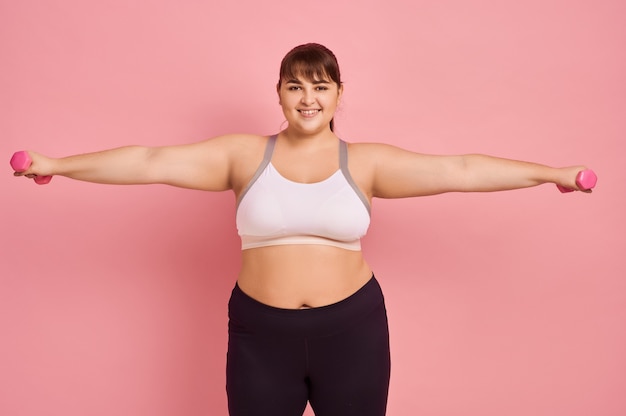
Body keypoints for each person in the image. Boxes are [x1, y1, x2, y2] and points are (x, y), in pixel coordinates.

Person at [12, 43, 592, 416]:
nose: (308, 97)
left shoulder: (365, 162)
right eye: (295, 85)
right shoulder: (243, 156)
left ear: (339, 94)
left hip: (352, 329)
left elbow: (460, 170)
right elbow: (149, 161)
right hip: (261, 334)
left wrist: (551, 175)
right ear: (281, 95)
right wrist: (58, 165)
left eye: (320, 85)